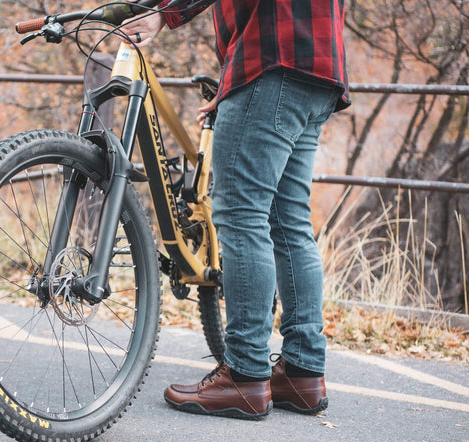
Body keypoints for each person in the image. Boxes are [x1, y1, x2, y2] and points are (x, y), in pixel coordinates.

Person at [121, 0, 350, 419]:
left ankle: (244, 376)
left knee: (243, 217)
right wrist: (234, 85)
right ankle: (302, 375)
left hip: (271, 62)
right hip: (318, 69)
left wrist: (163, 11)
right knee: (289, 222)